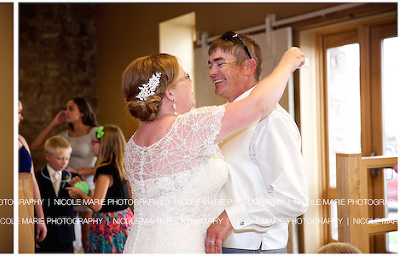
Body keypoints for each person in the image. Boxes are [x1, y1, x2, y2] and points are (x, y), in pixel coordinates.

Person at [120, 47, 305, 253]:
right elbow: (259, 104)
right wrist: (286, 64)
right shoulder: (188, 127)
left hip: (138, 246)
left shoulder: (133, 145)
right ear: (170, 93)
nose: (193, 82)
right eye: (186, 77)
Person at [204, 31, 309, 254]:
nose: (212, 72)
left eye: (220, 63)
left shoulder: (272, 121)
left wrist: (231, 216)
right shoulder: (222, 119)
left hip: (254, 248)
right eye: (210, 65)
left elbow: (293, 199)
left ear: (248, 67)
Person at [31, 97, 98, 251]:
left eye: (71, 108)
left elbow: (104, 162)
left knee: (86, 238)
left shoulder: (96, 131)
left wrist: (78, 171)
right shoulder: (64, 135)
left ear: (82, 112)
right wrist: (55, 123)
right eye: (66, 108)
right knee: (66, 233)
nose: (66, 112)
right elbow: (35, 146)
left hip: (85, 187)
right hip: (64, 186)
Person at [66, 125, 133, 253]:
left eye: (94, 142)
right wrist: (86, 190)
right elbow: (109, 197)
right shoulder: (118, 166)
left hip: (109, 224)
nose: (92, 145)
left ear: (104, 145)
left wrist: (80, 193)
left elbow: (96, 205)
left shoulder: (104, 170)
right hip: (124, 219)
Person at [34, 136, 80, 253]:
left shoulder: (73, 178)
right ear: (48, 156)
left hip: (66, 234)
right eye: (60, 158)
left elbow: (81, 202)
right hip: (46, 233)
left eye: (67, 158)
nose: (64, 162)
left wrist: (79, 192)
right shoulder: (37, 178)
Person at [18, 100, 48, 252]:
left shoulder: (21, 139)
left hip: (28, 206)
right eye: (18, 112)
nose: (21, 117)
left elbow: (33, 181)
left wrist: (41, 218)